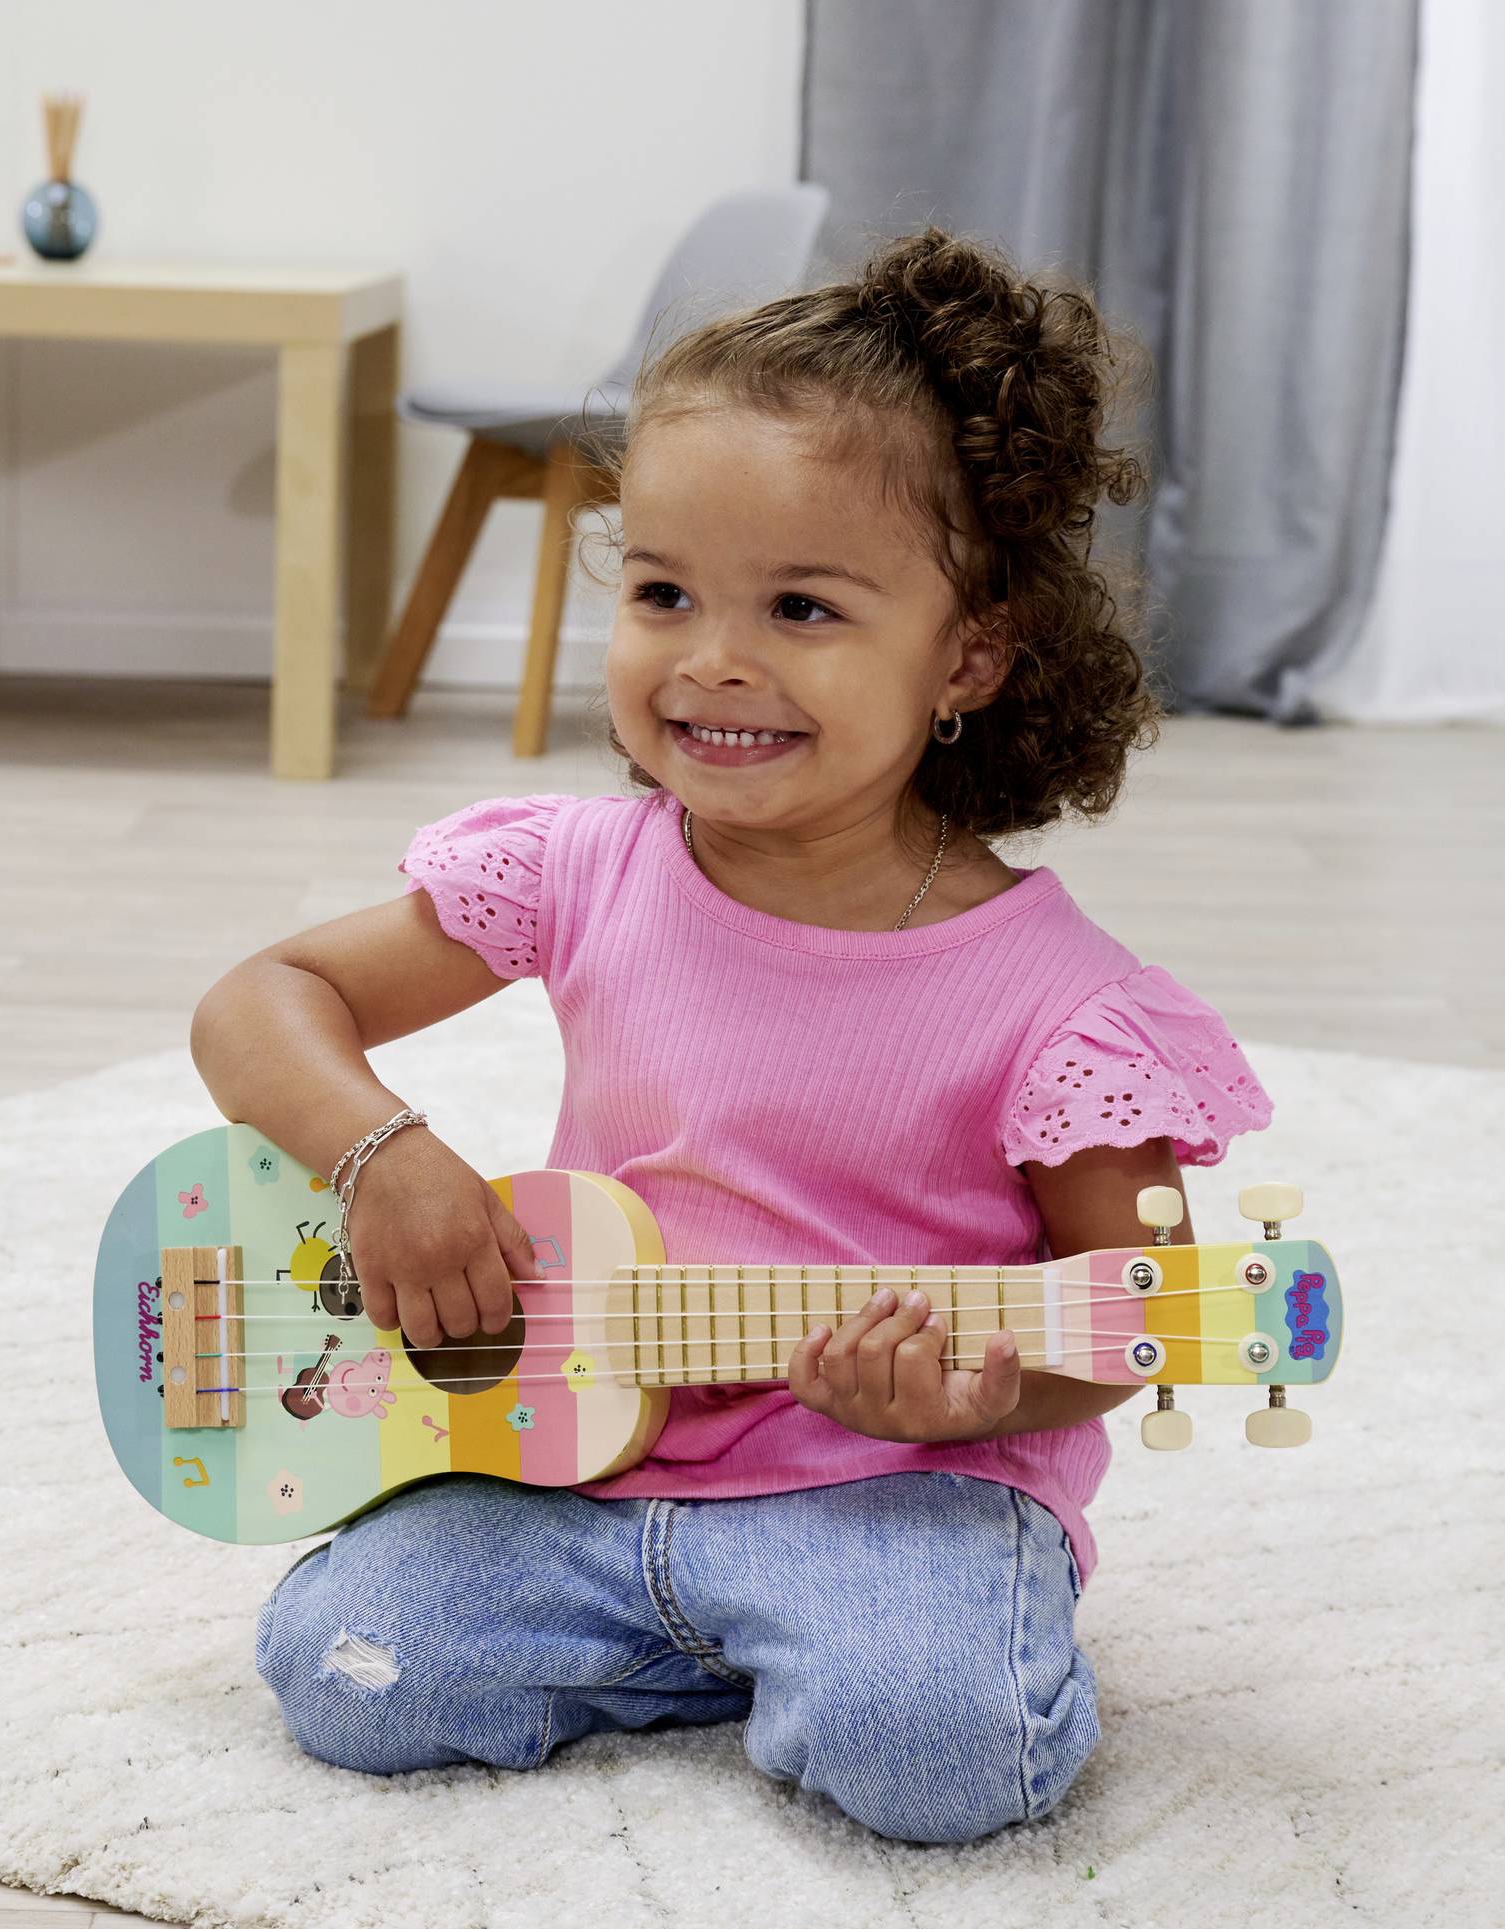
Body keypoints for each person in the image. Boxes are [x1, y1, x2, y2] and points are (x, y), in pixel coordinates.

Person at [190, 227, 1271, 1844]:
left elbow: (1129, 1325)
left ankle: (819, 1643)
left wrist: (961, 1405)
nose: (713, 659)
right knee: (350, 1675)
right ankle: (728, 1653)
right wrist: (381, 1156)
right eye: (662, 592)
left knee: (938, 1758)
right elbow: (261, 1000)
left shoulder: (1063, 1010)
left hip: (887, 1490)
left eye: (804, 607)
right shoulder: (573, 872)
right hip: (566, 1465)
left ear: (967, 655)